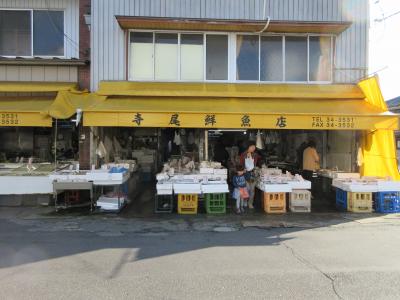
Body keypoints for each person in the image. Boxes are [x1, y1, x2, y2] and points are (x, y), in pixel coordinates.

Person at [239, 141, 261, 209]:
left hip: (253, 174)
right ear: (248, 147)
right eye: (252, 147)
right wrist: (242, 170)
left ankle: (250, 203)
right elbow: (240, 164)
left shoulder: (255, 155)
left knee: (252, 190)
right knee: (246, 189)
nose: (253, 148)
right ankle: (245, 201)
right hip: (245, 174)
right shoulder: (243, 155)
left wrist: (258, 167)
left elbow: (259, 161)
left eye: (254, 147)